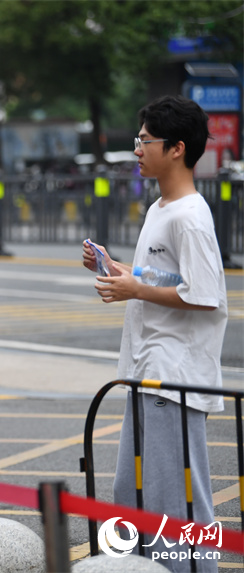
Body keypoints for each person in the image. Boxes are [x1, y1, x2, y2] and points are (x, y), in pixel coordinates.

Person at [82, 95, 226, 573]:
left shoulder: (189, 216)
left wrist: (134, 288)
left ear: (177, 148)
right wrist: (121, 270)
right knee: (134, 491)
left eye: (145, 141)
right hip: (150, 370)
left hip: (175, 375)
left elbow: (203, 294)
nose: (138, 149)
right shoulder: (163, 207)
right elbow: (169, 278)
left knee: (174, 498)